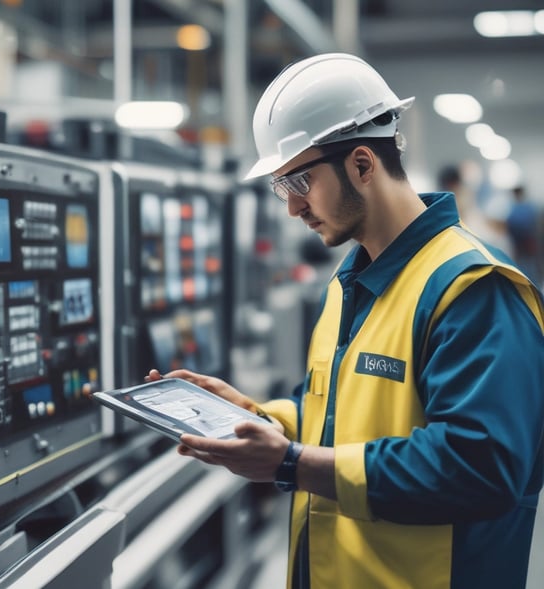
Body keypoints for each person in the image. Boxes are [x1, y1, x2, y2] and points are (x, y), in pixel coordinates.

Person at [146, 53, 544, 589]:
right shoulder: (347, 281)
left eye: (301, 181)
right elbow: (336, 415)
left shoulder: (473, 289)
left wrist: (292, 464)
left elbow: (479, 467)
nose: (293, 208)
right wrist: (255, 417)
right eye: (283, 187)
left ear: (362, 164)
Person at [507, 184, 543, 288]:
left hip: (520, 245)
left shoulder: (513, 211)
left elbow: (510, 228)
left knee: (524, 266)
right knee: (533, 266)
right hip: (531, 243)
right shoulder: (531, 208)